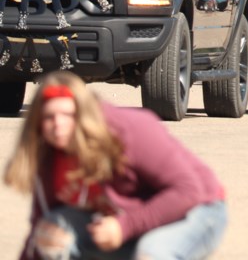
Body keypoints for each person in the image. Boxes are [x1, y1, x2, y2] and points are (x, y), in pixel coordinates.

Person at [3, 71, 227, 259]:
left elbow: (188, 191)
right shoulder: (49, 152)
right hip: (124, 220)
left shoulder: (129, 130)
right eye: (49, 117)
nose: (58, 124)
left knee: (151, 252)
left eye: (68, 115)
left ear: (83, 114)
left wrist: (124, 226)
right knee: (51, 234)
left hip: (198, 210)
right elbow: (40, 226)